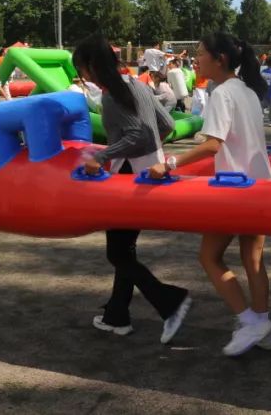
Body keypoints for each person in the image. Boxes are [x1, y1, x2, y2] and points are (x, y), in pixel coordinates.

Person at [147, 33, 271, 357]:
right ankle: (263, 326)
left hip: (234, 189)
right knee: (253, 259)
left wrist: (170, 162)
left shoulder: (221, 93)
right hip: (260, 186)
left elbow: (212, 143)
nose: (196, 59)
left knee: (208, 257)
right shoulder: (247, 90)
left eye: (201, 53)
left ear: (219, 59)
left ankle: (249, 320)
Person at [75, 35, 192, 343]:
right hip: (149, 175)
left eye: (81, 69)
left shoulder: (113, 95)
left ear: (90, 67)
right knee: (124, 250)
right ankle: (117, 315)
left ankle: (170, 301)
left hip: (126, 179)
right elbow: (166, 124)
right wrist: (153, 154)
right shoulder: (138, 85)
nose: (82, 76)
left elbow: (137, 134)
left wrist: (101, 155)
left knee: (118, 253)